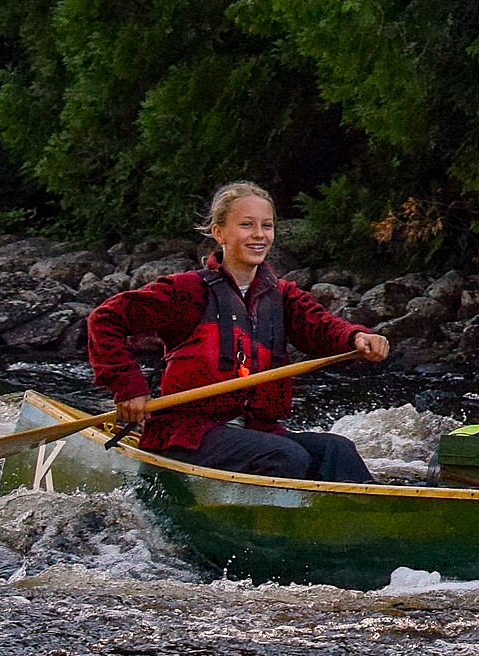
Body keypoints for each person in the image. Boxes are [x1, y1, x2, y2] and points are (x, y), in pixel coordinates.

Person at [85, 181, 391, 482]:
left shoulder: (283, 296)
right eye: (246, 225)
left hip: (257, 432)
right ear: (219, 233)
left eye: (267, 226)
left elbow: (322, 328)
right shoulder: (186, 291)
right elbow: (105, 319)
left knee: (337, 449)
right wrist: (129, 388)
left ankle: (375, 520)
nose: (259, 235)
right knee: (287, 457)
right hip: (187, 434)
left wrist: (355, 337)